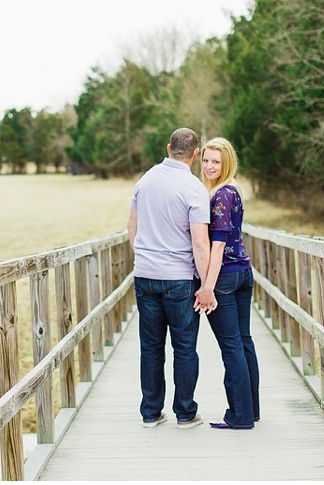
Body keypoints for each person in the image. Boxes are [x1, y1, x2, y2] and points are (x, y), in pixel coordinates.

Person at [127, 127, 216, 429]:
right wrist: (206, 285)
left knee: (150, 347)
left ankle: (151, 412)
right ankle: (185, 412)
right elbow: (200, 243)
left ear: (168, 148)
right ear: (195, 155)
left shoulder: (145, 180)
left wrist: (143, 259)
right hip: (179, 278)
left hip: (145, 275)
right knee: (184, 348)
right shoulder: (194, 188)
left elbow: (132, 227)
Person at [195, 137, 260, 429]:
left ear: (227, 163)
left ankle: (240, 416)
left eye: (215, 162)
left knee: (232, 346)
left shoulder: (220, 196)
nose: (209, 166)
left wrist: (207, 287)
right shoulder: (233, 191)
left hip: (225, 277)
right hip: (244, 272)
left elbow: (218, 246)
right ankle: (251, 409)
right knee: (244, 342)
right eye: (206, 160)